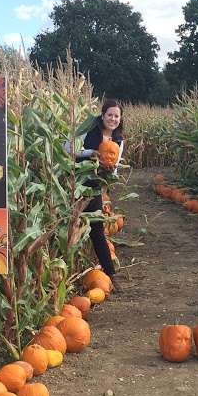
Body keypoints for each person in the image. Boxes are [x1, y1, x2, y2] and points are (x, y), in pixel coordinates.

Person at [71, 99, 124, 290]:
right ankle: (65, 276)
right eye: (109, 114)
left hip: (94, 187)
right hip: (74, 186)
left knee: (97, 231)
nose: (113, 118)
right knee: (69, 228)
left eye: (116, 115)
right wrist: (92, 152)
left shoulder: (118, 140)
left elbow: (115, 167)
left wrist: (109, 173)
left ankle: (111, 274)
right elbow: (68, 148)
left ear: (120, 119)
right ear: (102, 116)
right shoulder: (90, 131)